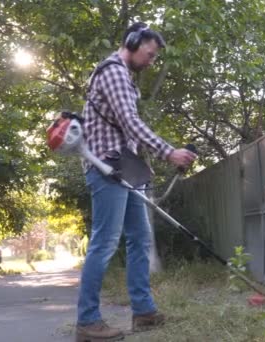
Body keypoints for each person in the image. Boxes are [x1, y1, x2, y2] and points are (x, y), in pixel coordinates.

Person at [75, 22, 196, 342]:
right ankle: (87, 322)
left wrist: (145, 165)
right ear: (132, 42)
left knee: (140, 238)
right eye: (149, 54)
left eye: (155, 57)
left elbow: (127, 129)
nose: (151, 61)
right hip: (106, 167)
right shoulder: (113, 71)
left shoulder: (124, 77)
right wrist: (169, 152)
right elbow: (130, 121)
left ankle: (143, 312)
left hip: (124, 168)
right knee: (104, 243)